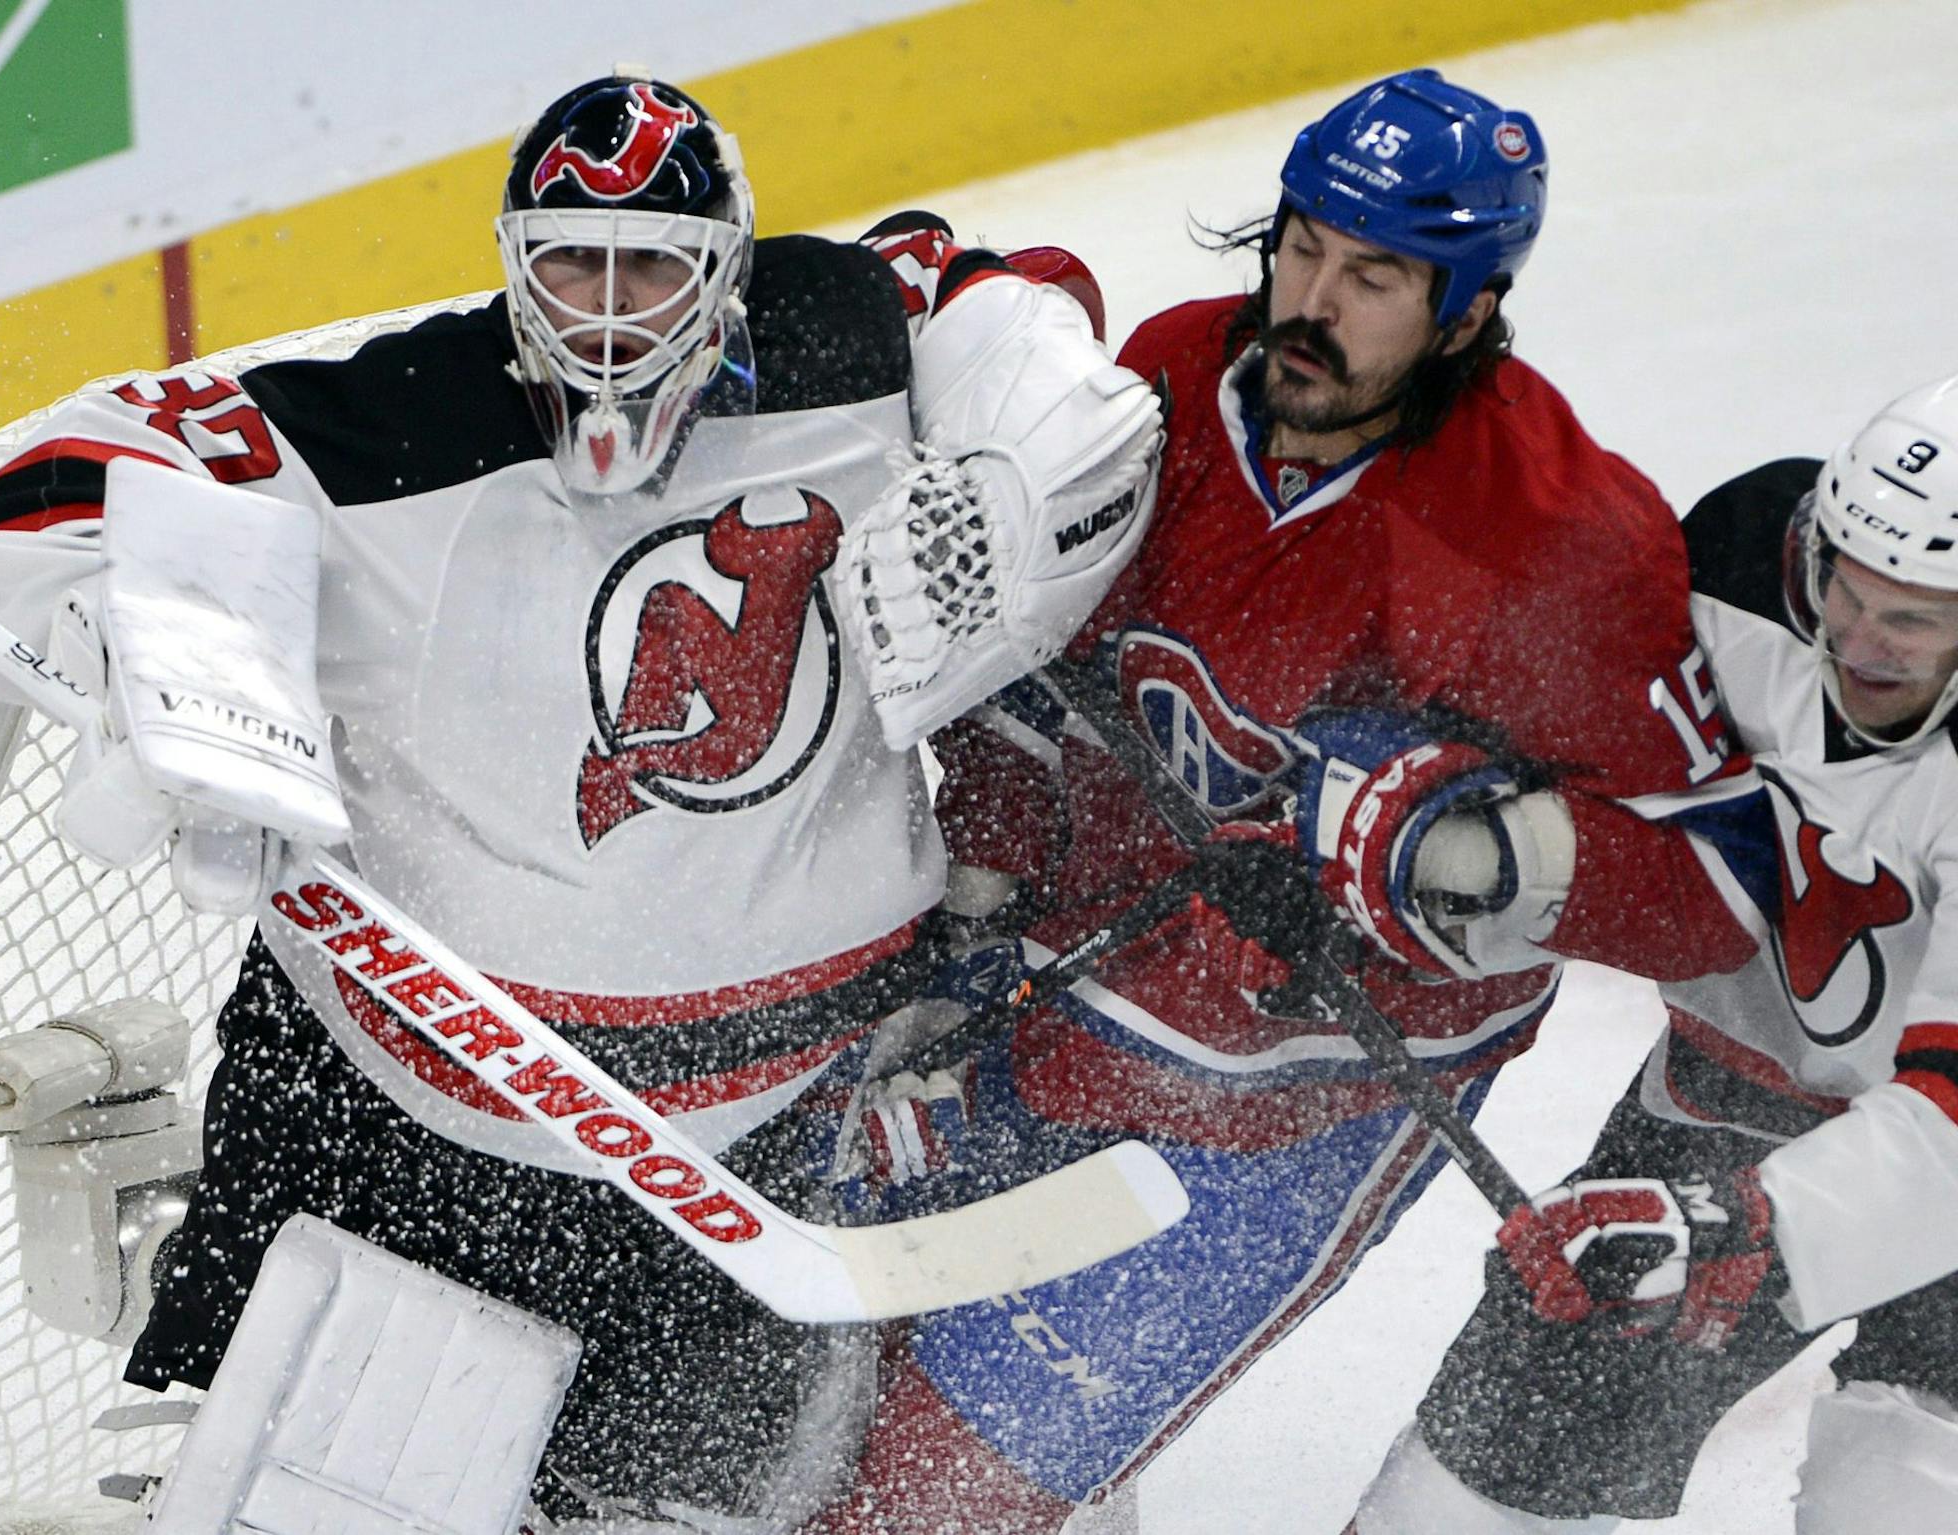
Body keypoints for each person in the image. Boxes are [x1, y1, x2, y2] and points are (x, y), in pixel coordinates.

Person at [0, 72, 1162, 1531]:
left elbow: (998, 294)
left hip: (786, 1120)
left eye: (655, 265)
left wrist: (1024, 459)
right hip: (410, 1111)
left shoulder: (847, 335)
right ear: (513, 260)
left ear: (732, 267)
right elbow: (45, 487)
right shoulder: (395, 426)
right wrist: (186, 659)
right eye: (572, 262)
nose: (611, 312)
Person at [796, 69, 1772, 1533]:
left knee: (926, 1503)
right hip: (1057, 990)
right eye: (1303, 244)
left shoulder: (1559, 541)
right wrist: (978, 901)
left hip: (1291, 1105)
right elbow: (1047, 665)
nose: (1310, 299)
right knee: (817, 1382)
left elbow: (1715, 887)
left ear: (1470, 308)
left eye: (1373, 275)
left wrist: (1458, 845)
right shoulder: (1185, 372)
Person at [1349, 377, 1958, 1534]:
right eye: (1845, 587)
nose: (1858, 641)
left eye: (1913, 620)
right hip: (1719, 1104)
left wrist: (1752, 1225)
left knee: (1895, 1500)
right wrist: (1446, 816)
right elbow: (1587, 742)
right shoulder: (1739, 554)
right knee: (1453, 1504)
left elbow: (1952, 1121)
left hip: (1942, 1161)